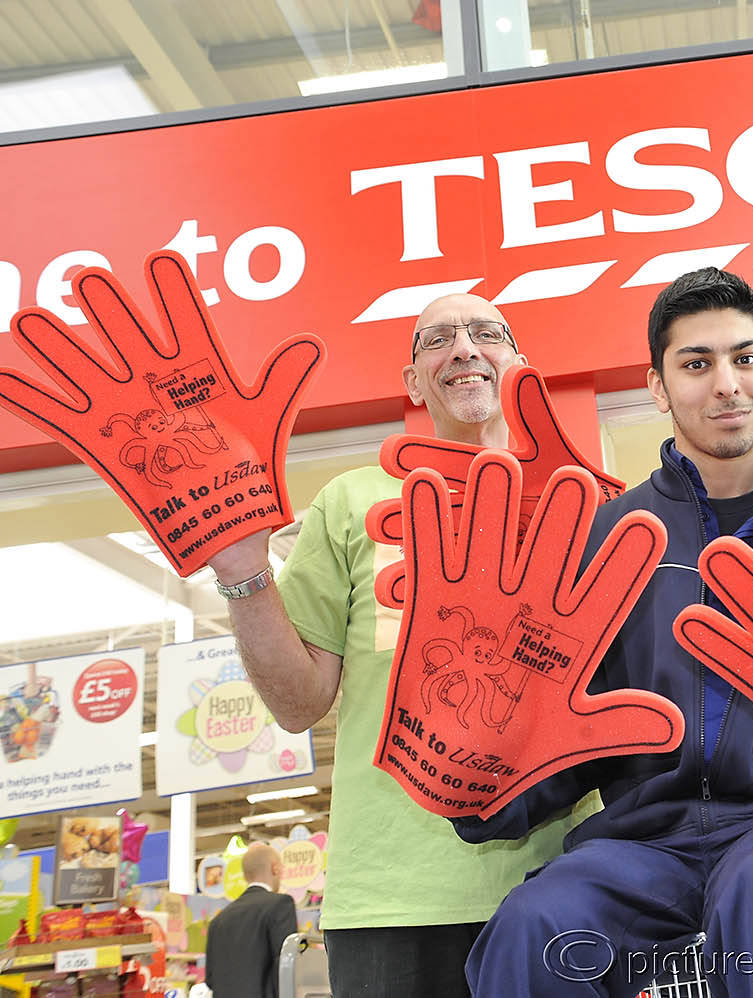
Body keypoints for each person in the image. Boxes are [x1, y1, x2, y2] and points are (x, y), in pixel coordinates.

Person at [456, 268, 753, 996]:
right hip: (645, 841)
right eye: (696, 363)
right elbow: (571, 724)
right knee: (536, 925)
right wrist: (482, 779)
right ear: (658, 387)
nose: (726, 384)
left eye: (746, 359)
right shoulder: (607, 541)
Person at [206, 295, 590, 997]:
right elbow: (299, 704)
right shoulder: (353, 500)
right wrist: (242, 574)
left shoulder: (579, 499)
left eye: (486, 333)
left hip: (567, 878)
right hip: (394, 899)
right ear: (413, 380)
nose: (466, 348)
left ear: (519, 362)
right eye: (437, 339)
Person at [205, 842, 298, 998]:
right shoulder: (280, 904)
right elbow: (285, 967)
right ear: (275, 868)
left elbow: (211, 979)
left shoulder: (218, 920)